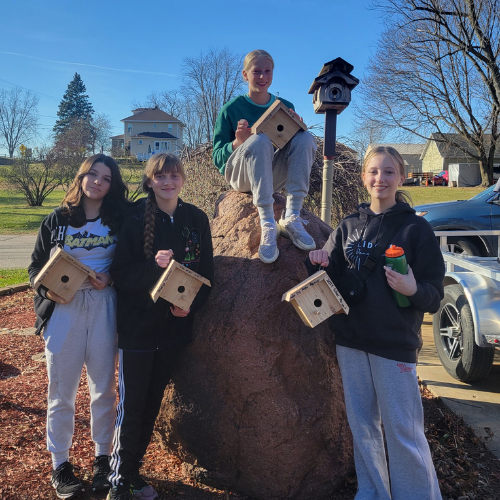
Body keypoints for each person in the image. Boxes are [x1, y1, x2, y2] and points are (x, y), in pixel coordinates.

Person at [307, 146, 445, 500]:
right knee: (362, 426)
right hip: (351, 341)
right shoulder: (348, 225)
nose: (379, 179)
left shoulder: (417, 229)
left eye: (387, 172)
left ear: (401, 177)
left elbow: (434, 294)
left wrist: (413, 287)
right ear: (364, 177)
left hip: (394, 344)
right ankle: (372, 492)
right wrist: (318, 261)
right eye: (373, 172)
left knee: (403, 429)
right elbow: (334, 281)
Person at [107, 153, 214, 500]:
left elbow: (207, 274)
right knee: (132, 404)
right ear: (150, 180)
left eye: (174, 176)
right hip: (138, 329)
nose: (168, 182)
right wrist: (154, 266)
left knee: (152, 402)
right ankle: (118, 479)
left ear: (183, 179)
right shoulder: (135, 217)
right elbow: (120, 274)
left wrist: (191, 306)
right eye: (160, 177)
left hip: (174, 331)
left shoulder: (195, 218)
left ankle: (133, 472)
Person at [28, 154, 130, 499]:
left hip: (104, 305)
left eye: (106, 177)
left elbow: (133, 262)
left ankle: (103, 459)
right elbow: (34, 272)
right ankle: (61, 463)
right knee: (62, 391)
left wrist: (112, 277)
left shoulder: (119, 220)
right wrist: (50, 290)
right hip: (65, 309)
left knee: (104, 388)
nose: (98, 181)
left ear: (112, 185)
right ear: (81, 177)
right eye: (93, 174)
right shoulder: (57, 221)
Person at [212, 49, 317, 264]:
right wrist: (237, 142)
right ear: (245, 75)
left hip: (270, 174)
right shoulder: (231, 109)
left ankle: (291, 216)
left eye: (267, 71)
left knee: (306, 137)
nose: (262, 77)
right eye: (256, 71)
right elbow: (217, 158)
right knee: (259, 140)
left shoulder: (285, 107)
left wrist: (295, 130)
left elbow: (290, 149)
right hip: (240, 175)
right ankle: (268, 222)